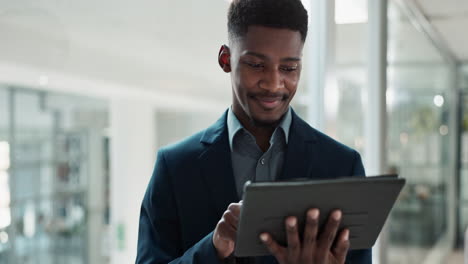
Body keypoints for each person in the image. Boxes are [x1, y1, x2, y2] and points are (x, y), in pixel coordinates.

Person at [136, 0, 372, 263]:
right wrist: (212, 248)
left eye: (289, 68)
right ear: (226, 59)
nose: (273, 84)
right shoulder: (175, 167)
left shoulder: (342, 166)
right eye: (257, 65)